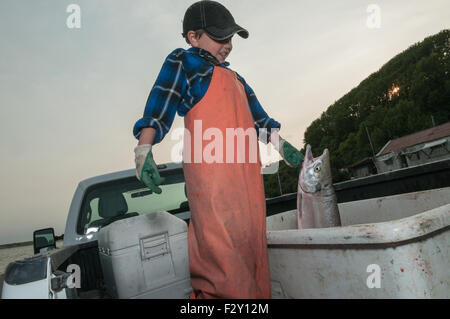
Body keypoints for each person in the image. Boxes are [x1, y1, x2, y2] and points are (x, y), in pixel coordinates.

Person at [133, 0, 303, 299]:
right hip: (212, 181)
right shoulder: (184, 63)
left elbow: (261, 121)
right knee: (222, 263)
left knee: (253, 255)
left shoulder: (237, 79)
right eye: (219, 37)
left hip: (248, 182)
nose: (228, 45)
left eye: (230, 38)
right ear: (192, 36)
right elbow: (161, 103)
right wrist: (143, 151)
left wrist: (282, 146)